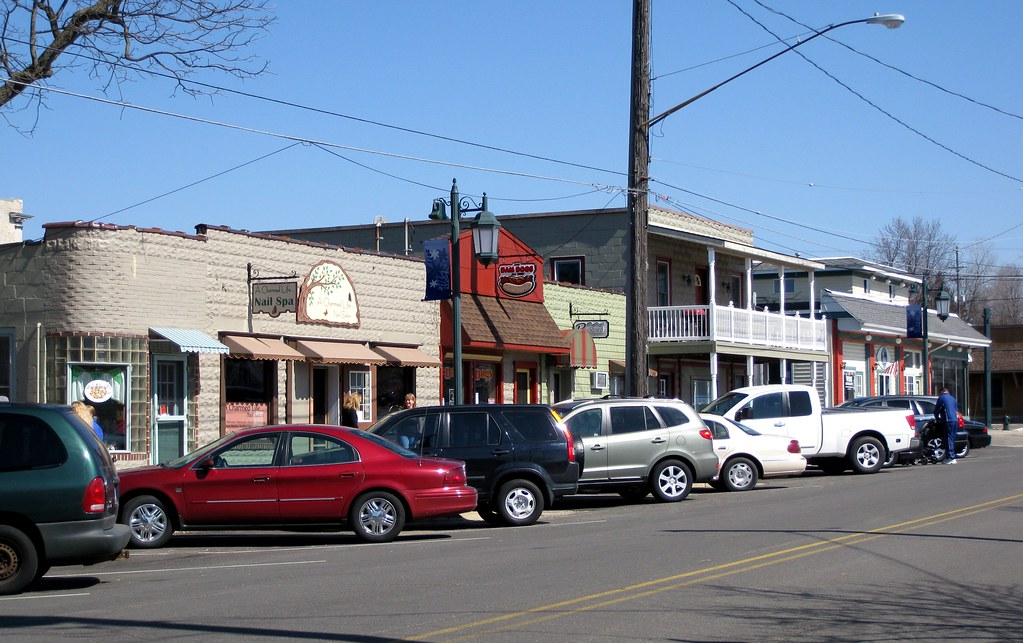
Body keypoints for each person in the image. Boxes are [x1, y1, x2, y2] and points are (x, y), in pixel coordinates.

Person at [934, 386, 959, 464]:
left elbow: (937, 409)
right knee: (952, 438)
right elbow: (956, 410)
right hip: (955, 420)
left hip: (948, 420)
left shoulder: (942, 398)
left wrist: (937, 418)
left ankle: (951, 457)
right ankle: (951, 456)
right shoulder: (953, 399)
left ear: (941, 392)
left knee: (948, 438)